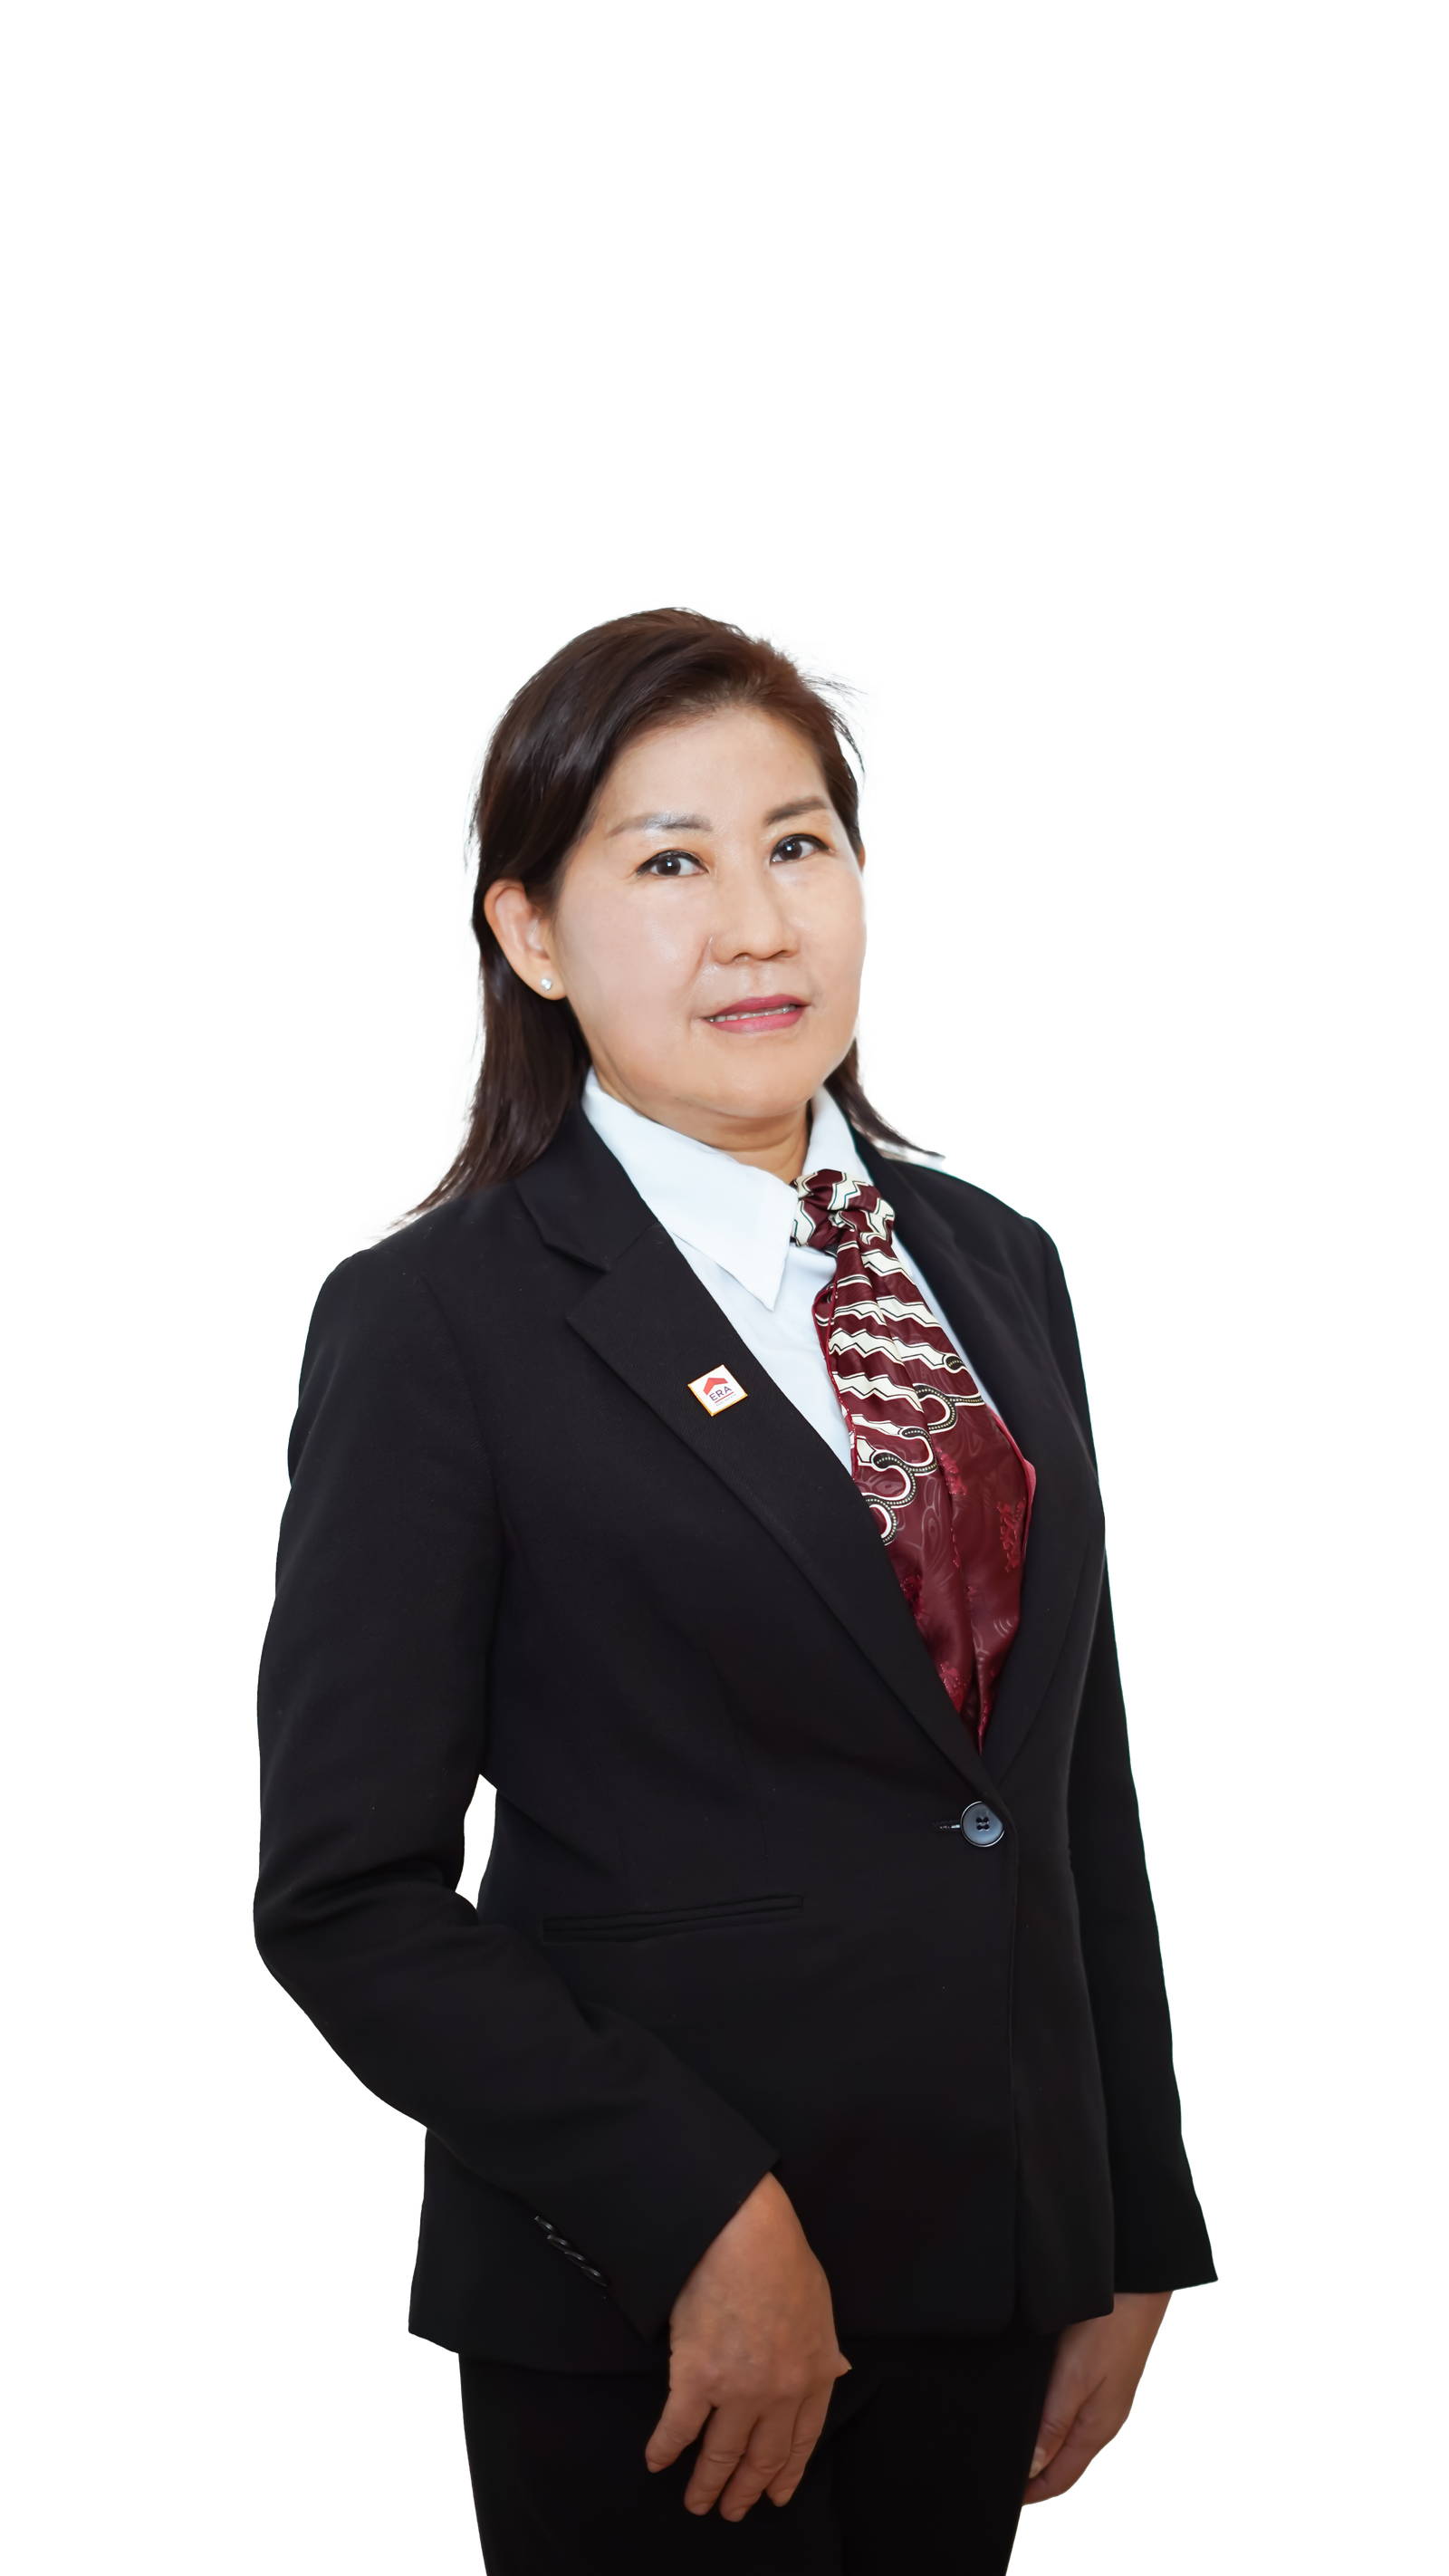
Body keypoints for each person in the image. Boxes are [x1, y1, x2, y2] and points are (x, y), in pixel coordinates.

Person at [254, 607, 1215, 2572]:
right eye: (668, 863)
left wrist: (1127, 2216)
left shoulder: (993, 1260)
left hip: (990, 2260)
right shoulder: (436, 1317)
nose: (756, 927)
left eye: (797, 845)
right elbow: (342, 1894)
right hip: (652, 2312)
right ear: (530, 934)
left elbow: (1057, 1788)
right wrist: (693, 2209)